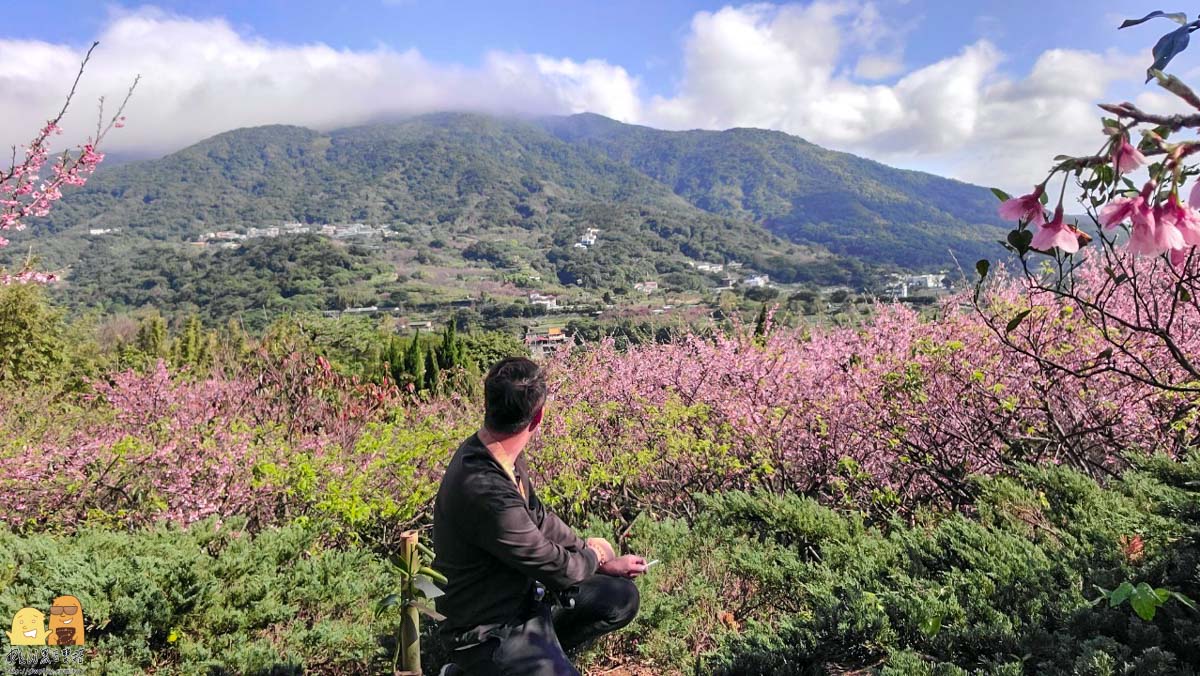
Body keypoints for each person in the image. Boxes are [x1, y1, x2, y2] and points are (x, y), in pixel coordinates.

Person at [433, 357, 646, 675]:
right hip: (489, 628)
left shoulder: (500, 455)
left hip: (526, 597)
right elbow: (557, 567)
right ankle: (475, 670)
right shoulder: (486, 490)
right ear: (538, 417)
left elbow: (540, 519)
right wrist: (594, 554)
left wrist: (599, 562)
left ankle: (543, 659)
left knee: (619, 597)